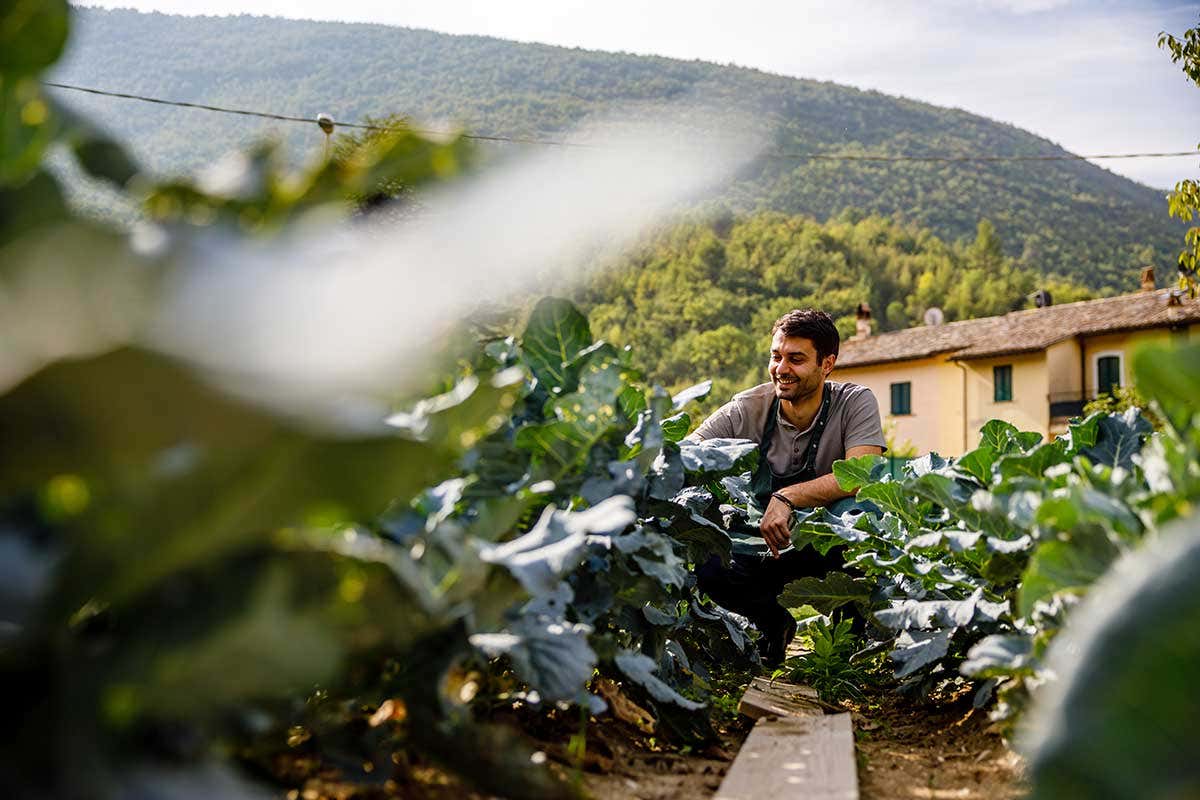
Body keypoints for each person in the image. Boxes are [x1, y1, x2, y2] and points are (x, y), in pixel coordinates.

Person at [687, 308, 886, 664]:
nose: (781, 368)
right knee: (707, 558)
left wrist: (787, 497)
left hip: (827, 545)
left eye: (796, 359)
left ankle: (845, 646)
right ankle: (773, 622)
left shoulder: (855, 402)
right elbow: (687, 454)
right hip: (767, 543)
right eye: (776, 357)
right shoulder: (749, 408)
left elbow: (861, 472)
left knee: (863, 519)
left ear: (827, 364)